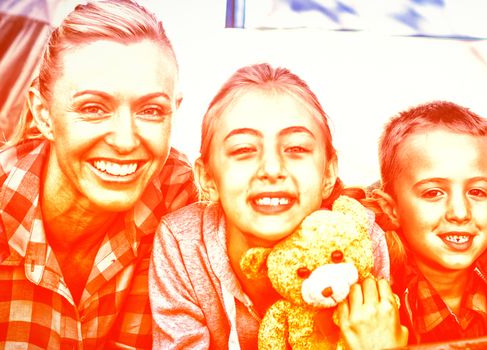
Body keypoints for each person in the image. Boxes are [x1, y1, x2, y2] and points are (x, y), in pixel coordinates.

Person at [0, 1, 197, 347]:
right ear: (43, 114)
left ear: (174, 113)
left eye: (151, 110)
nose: (126, 140)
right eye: (93, 108)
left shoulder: (183, 206)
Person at [150, 63, 406, 349]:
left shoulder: (357, 236)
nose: (272, 169)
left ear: (328, 173)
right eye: (243, 150)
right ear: (207, 178)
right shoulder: (182, 243)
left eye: (296, 148)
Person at [369, 101, 487, 344]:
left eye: (476, 192)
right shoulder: (375, 293)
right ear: (391, 209)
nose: (460, 212)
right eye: (433, 193)